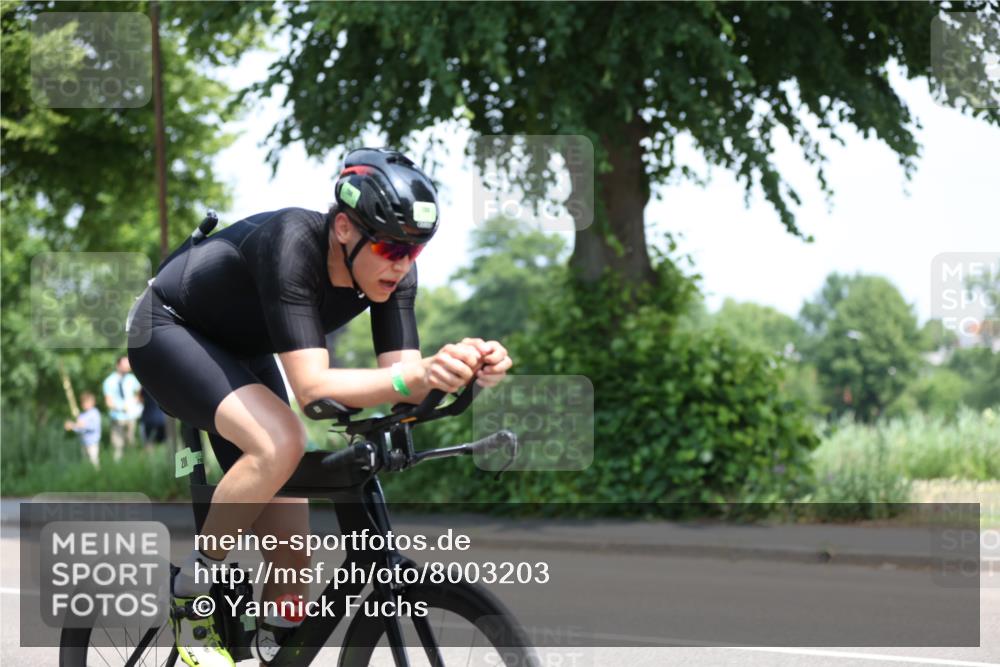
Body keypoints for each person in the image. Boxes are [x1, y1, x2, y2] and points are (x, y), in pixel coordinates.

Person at [126, 148, 512, 667]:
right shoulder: (291, 243)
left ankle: (265, 656)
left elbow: (403, 385)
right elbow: (311, 391)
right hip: (168, 329)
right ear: (346, 229)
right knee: (279, 440)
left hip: (244, 351)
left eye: (415, 251)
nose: (401, 263)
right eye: (390, 247)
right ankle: (191, 591)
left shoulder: (393, 277)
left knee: (292, 557)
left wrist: (465, 368)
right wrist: (415, 375)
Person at [102, 356, 142, 461]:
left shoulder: (132, 379)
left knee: (131, 441)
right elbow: (108, 402)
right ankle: (118, 465)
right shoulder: (109, 381)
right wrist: (121, 408)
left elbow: (139, 394)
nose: (128, 367)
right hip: (117, 417)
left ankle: (133, 463)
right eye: (125, 365)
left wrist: (135, 403)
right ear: (118, 365)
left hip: (131, 416)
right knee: (118, 445)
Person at [64, 391, 102, 467]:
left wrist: (84, 425)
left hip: (93, 443)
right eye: (83, 402)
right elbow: (79, 429)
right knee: (85, 463)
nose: (85, 404)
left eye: (87, 402)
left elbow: (94, 426)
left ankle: (98, 476)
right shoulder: (82, 415)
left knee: (94, 461)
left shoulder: (95, 413)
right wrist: (72, 426)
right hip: (84, 443)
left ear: (92, 402)